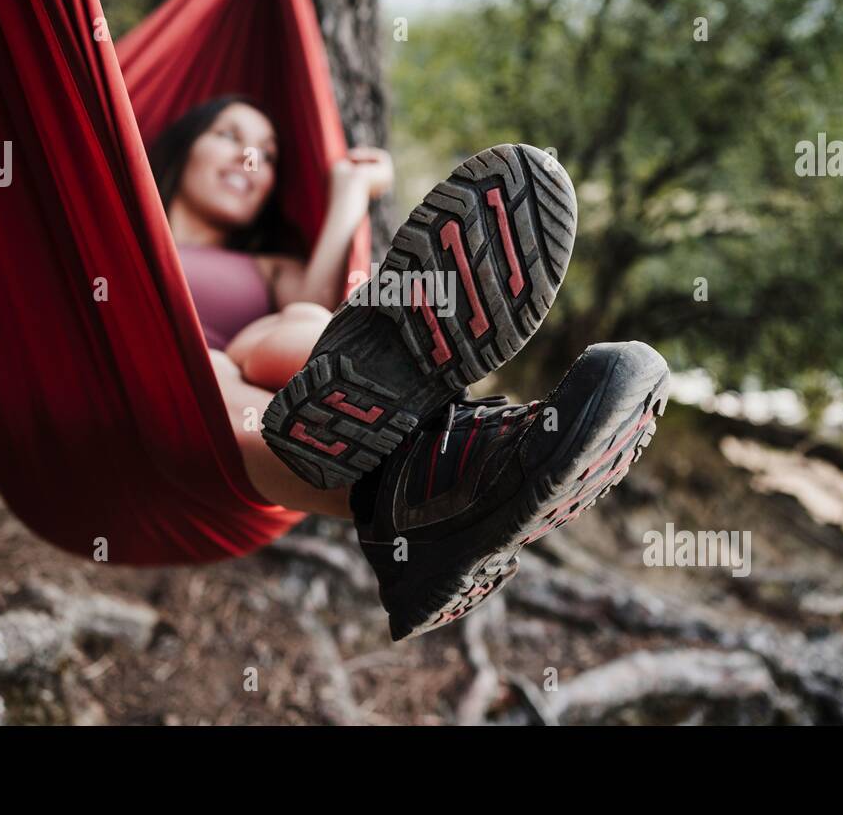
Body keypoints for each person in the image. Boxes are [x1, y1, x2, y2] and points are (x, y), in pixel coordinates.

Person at [152, 96, 669, 640]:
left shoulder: (268, 264)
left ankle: (447, 480)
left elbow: (313, 290)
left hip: (264, 361)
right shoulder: (125, 230)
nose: (249, 158)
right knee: (223, 365)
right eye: (229, 137)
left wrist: (348, 196)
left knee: (298, 318)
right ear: (183, 147)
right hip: (160, 373)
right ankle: (453, 475)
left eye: (267, 153)